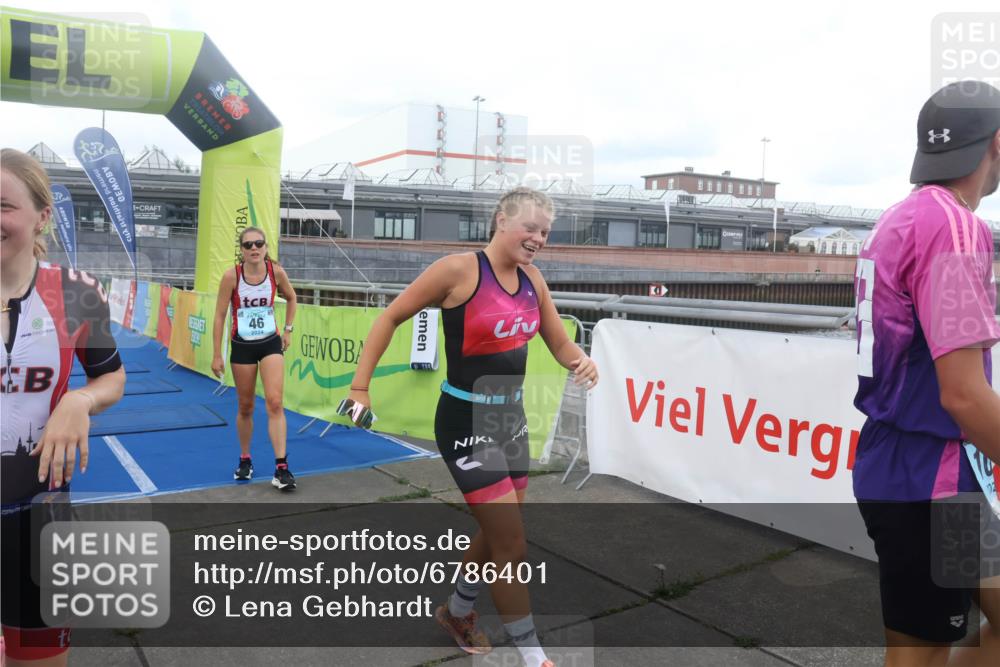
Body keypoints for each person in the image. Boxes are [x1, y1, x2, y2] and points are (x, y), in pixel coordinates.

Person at [348, 187, 598, 667]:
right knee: (509, 541)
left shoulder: (533, 280)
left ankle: (457, 611)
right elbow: (391, 316)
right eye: (530, 227)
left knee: (498, 529)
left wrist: (580, 361)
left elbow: (559, 342)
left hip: (511, 419)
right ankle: (534, 657)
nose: (538, 238)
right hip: (465, 419)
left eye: (545, 232)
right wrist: (360, 389)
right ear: (501, 220)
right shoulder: (458, 271)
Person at [853, 81, 1000, 666]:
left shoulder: (899, 218)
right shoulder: (959, 228)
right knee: (919, 653)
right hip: (931, 478)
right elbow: (963, 393)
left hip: (917, 467)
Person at [1, 148, 126, 665]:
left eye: (2, 206)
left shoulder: (77, 294)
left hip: (38, 518)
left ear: (42, 217)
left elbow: (111, 376)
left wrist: (81, 397)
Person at [211, 227, 298, 491]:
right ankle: (245, 459)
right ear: (241, 250)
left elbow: (293, 298)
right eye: (248, 245)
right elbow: (219, 316)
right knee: (246, 406)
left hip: (270, 343)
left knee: (274, 402)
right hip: (242, 346)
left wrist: (288, 330)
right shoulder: (232, 277)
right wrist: (217, 354)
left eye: (258, 243)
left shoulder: (275, 272)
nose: (253, 249)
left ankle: (281, 467)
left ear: (266, 247)